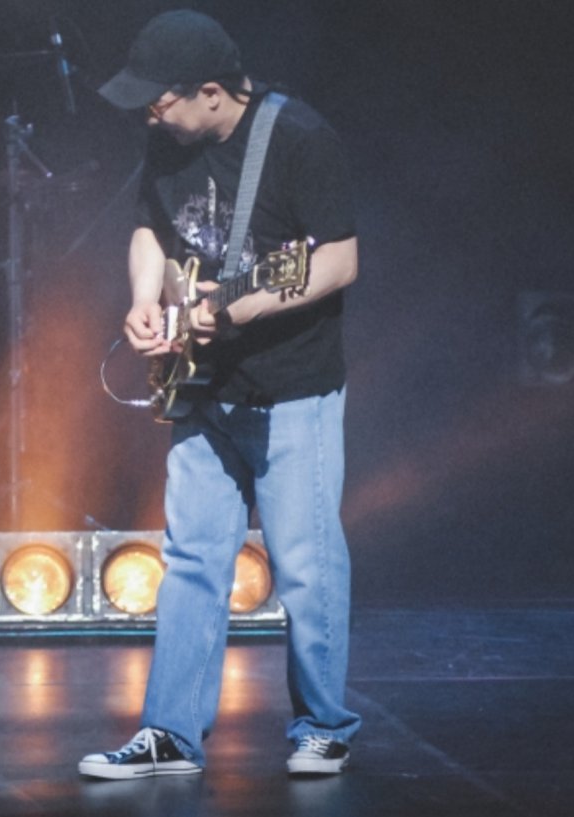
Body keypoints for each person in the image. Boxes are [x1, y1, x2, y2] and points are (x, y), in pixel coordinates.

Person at [78, 10, 362, 779]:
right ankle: (171, 731)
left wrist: (235, 308)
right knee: (193, 559)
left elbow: (334, 262)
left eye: (160, 100)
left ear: (210, 92)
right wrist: (146, 298)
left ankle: (324, 725)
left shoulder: (301, 139)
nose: (149, 114)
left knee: (305, 563)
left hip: (292, 387)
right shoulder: (168, 137)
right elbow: (152, 229)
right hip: (202, 385)